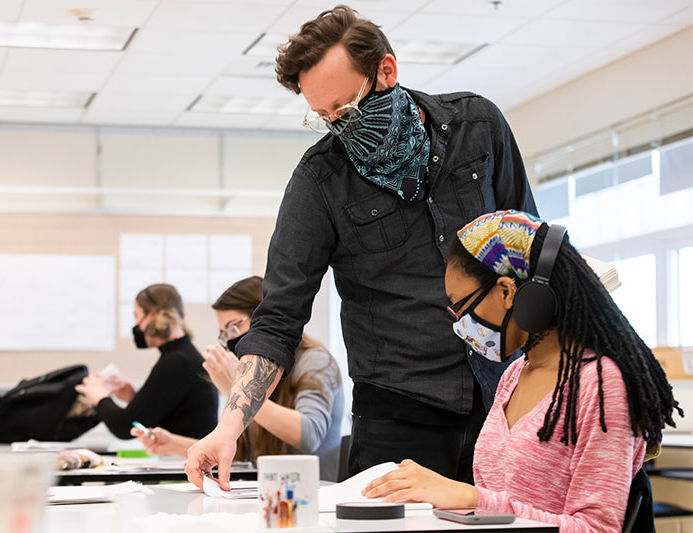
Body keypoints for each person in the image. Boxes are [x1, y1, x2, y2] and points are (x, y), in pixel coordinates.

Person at [186, 5, 537, 490]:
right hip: (400, 410)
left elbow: (531, 254)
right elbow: (279, 317)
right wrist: (231, 425)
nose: (340, 126)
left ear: (386, 71)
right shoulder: (319, 181)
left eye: (347, 110)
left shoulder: (476, 126)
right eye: (325, 117)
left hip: (509, 395)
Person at [362, 210, 682, 532]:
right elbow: (501, 500)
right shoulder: (514, 374)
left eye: (460, 305)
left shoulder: (600, 383)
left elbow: (597, 528)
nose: (459, 321)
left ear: (506, 291)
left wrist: (469, 497)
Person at [131, 276, 345, 481]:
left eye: (234, 326)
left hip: (312, 496)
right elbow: (241, 453)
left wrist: (244, 391)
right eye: (224, 332)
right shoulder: (246, 372)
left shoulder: (314, 361)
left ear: (266, 319)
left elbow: (310, 435)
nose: (230, 339)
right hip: (263, 492)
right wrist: (172, 444)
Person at [75, 283, 218, 440]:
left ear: (154, 315)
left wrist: (99, 396)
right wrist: (134, 397)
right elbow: (170, 416)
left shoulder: (176, 362)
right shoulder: (184, 356)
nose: (136, 325)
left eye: (137, 316)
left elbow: (125, 426)